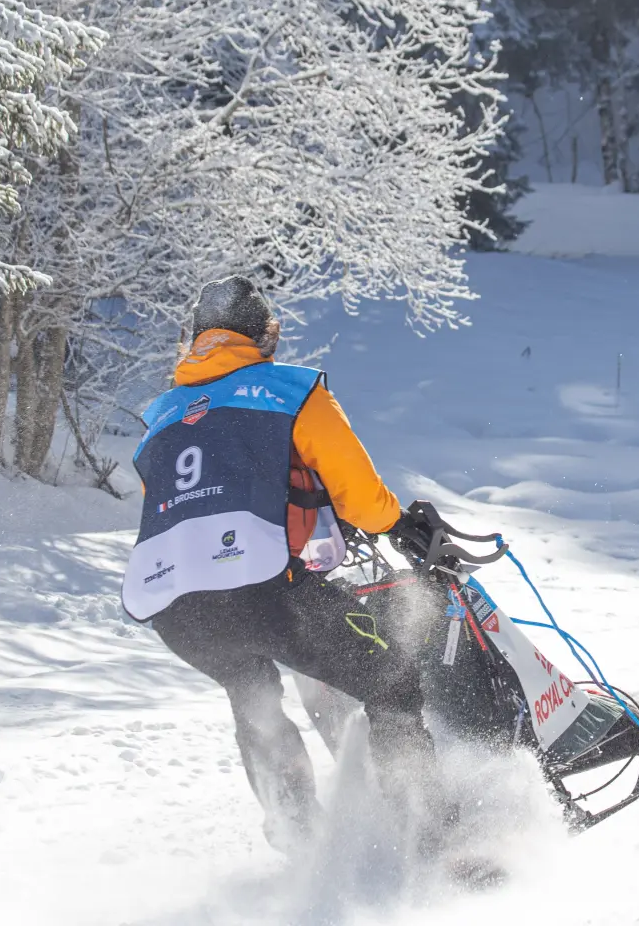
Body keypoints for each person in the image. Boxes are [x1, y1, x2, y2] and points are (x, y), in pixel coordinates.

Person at [120, 276, 443, 853]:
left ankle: (301, 840)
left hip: (175, 609)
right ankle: (432, 838)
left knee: (254, 701)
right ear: (267, 335)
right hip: (264, 590)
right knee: (392, 682)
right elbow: (359, 493)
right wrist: (399, 526)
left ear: (193, 341)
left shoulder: (161, 418)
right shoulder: (289, 390)